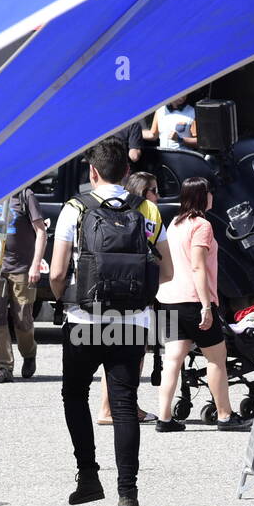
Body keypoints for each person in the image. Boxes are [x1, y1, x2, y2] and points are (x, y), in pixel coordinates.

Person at [49, 138, 173, 506]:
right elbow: (167, 272)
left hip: (84, 320)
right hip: (132, 322)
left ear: (93, 171)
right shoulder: (148, 208)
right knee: (123, 405)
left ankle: (88, 476)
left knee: (74, 394)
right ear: (127, 172)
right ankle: (128, 497)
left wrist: (63, 297)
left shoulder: (75, 209)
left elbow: (56, 273)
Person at [154, 176, 251, 433]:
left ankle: (164, 418)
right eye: (209, 192)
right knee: (217, 358)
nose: (212, 196)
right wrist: (207, 306)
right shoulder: (202, 226)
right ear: (201, 195)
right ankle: (224, 415)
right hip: (194, 300)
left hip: (169, 297)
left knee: (173, 359)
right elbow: (198, 266)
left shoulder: (174, 224)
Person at [96, 171, 160, 426]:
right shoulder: (149, 211)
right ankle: (126, 407)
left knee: (112, 356)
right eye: (154, 190)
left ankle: (105, 409)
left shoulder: (111, 208)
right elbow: (156, 250)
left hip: (106, 288)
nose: (158, 195)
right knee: (135, 355)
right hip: (137, 291)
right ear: (144, 192)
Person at [0, 183, 46, 383]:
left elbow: (41, 232)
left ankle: (29, 354)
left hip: (22, 268)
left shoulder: (25, 195)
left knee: (22, 318)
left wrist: (36, 265)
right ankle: (3, 366)